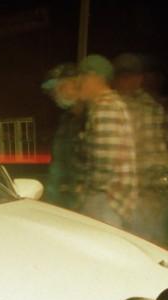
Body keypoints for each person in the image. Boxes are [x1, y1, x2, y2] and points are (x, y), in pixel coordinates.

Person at [112, 53, 168, 245]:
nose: (125, 81)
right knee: (154, 246)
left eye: (128, 76)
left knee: (136, 244)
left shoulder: (121, 107)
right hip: (155, 187)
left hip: (139, 188)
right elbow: (167, 141)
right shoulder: (155, 107)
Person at [72, 54, 138, 229]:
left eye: (83, 77)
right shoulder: (108, 105)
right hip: (109, 199)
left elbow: (105, 162)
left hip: (104, 199)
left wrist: (84, 191)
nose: (79, 82)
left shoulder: (105, 107)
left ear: (96, 78)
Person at [41, 63, 85, 208]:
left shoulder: (92, 118)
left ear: (76, 84)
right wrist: (51, 202)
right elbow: (58, 166)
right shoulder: (67, 122)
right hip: (68, 204)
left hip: (86, 204)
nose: (55, 95)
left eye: (60, 87)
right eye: (52, 92)